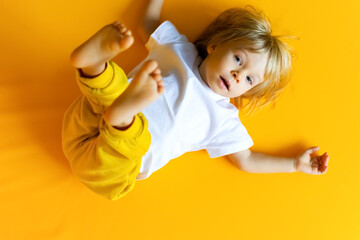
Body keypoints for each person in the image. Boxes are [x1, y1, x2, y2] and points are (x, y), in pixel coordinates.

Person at [62, 0, 329, 201]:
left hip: (114, 168)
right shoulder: (178, 48)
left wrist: (294, 164)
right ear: (215, 45)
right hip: (86, 122)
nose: (237, 76)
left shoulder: (223, 119)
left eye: (249, 80)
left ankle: (110, 92)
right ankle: (92, 67)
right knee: (108, 94)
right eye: (238, 60)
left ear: (248, 91)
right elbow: (148, 22)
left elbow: (246, 159)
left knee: (131, 131)